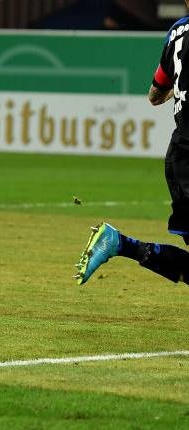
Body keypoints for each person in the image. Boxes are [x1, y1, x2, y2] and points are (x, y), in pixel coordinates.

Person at [74, 3, 189, 286]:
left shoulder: (176, 33)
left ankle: (120, 244)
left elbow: (155, 93)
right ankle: (121, 244)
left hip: (181, 157)